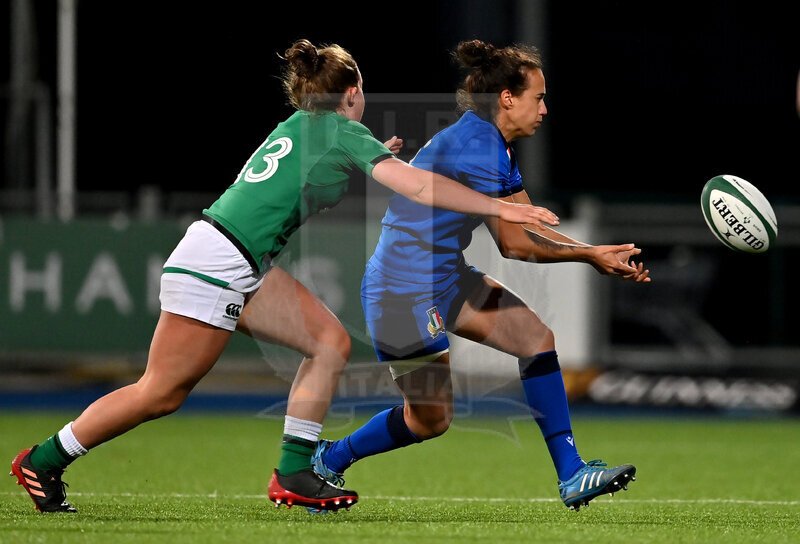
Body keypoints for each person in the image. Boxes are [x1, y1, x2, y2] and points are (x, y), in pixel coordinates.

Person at [9, 39, 560, 514]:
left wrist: (374, 155)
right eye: (362, 92)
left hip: (234, 255)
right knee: (160, 393)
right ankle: (43, 460)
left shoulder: (302, 123)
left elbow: (324, 169)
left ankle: (294, 472)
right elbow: (417, 186)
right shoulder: (345, 133)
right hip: (220, 263)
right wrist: (509, 209)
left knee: (328, 341)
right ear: (352, 94)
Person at [311, 40, 651, 512]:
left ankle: (572, 474)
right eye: (539, 97)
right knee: (430, 420)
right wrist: (589, 255)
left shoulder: (491, 142)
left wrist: (591, 251)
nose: (545, 109)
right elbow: (515, 244)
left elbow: (524, 223)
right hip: (400, 291)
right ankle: (328, 458)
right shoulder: (478, 146)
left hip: (444, 276)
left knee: (535, 337)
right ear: (507, 98)